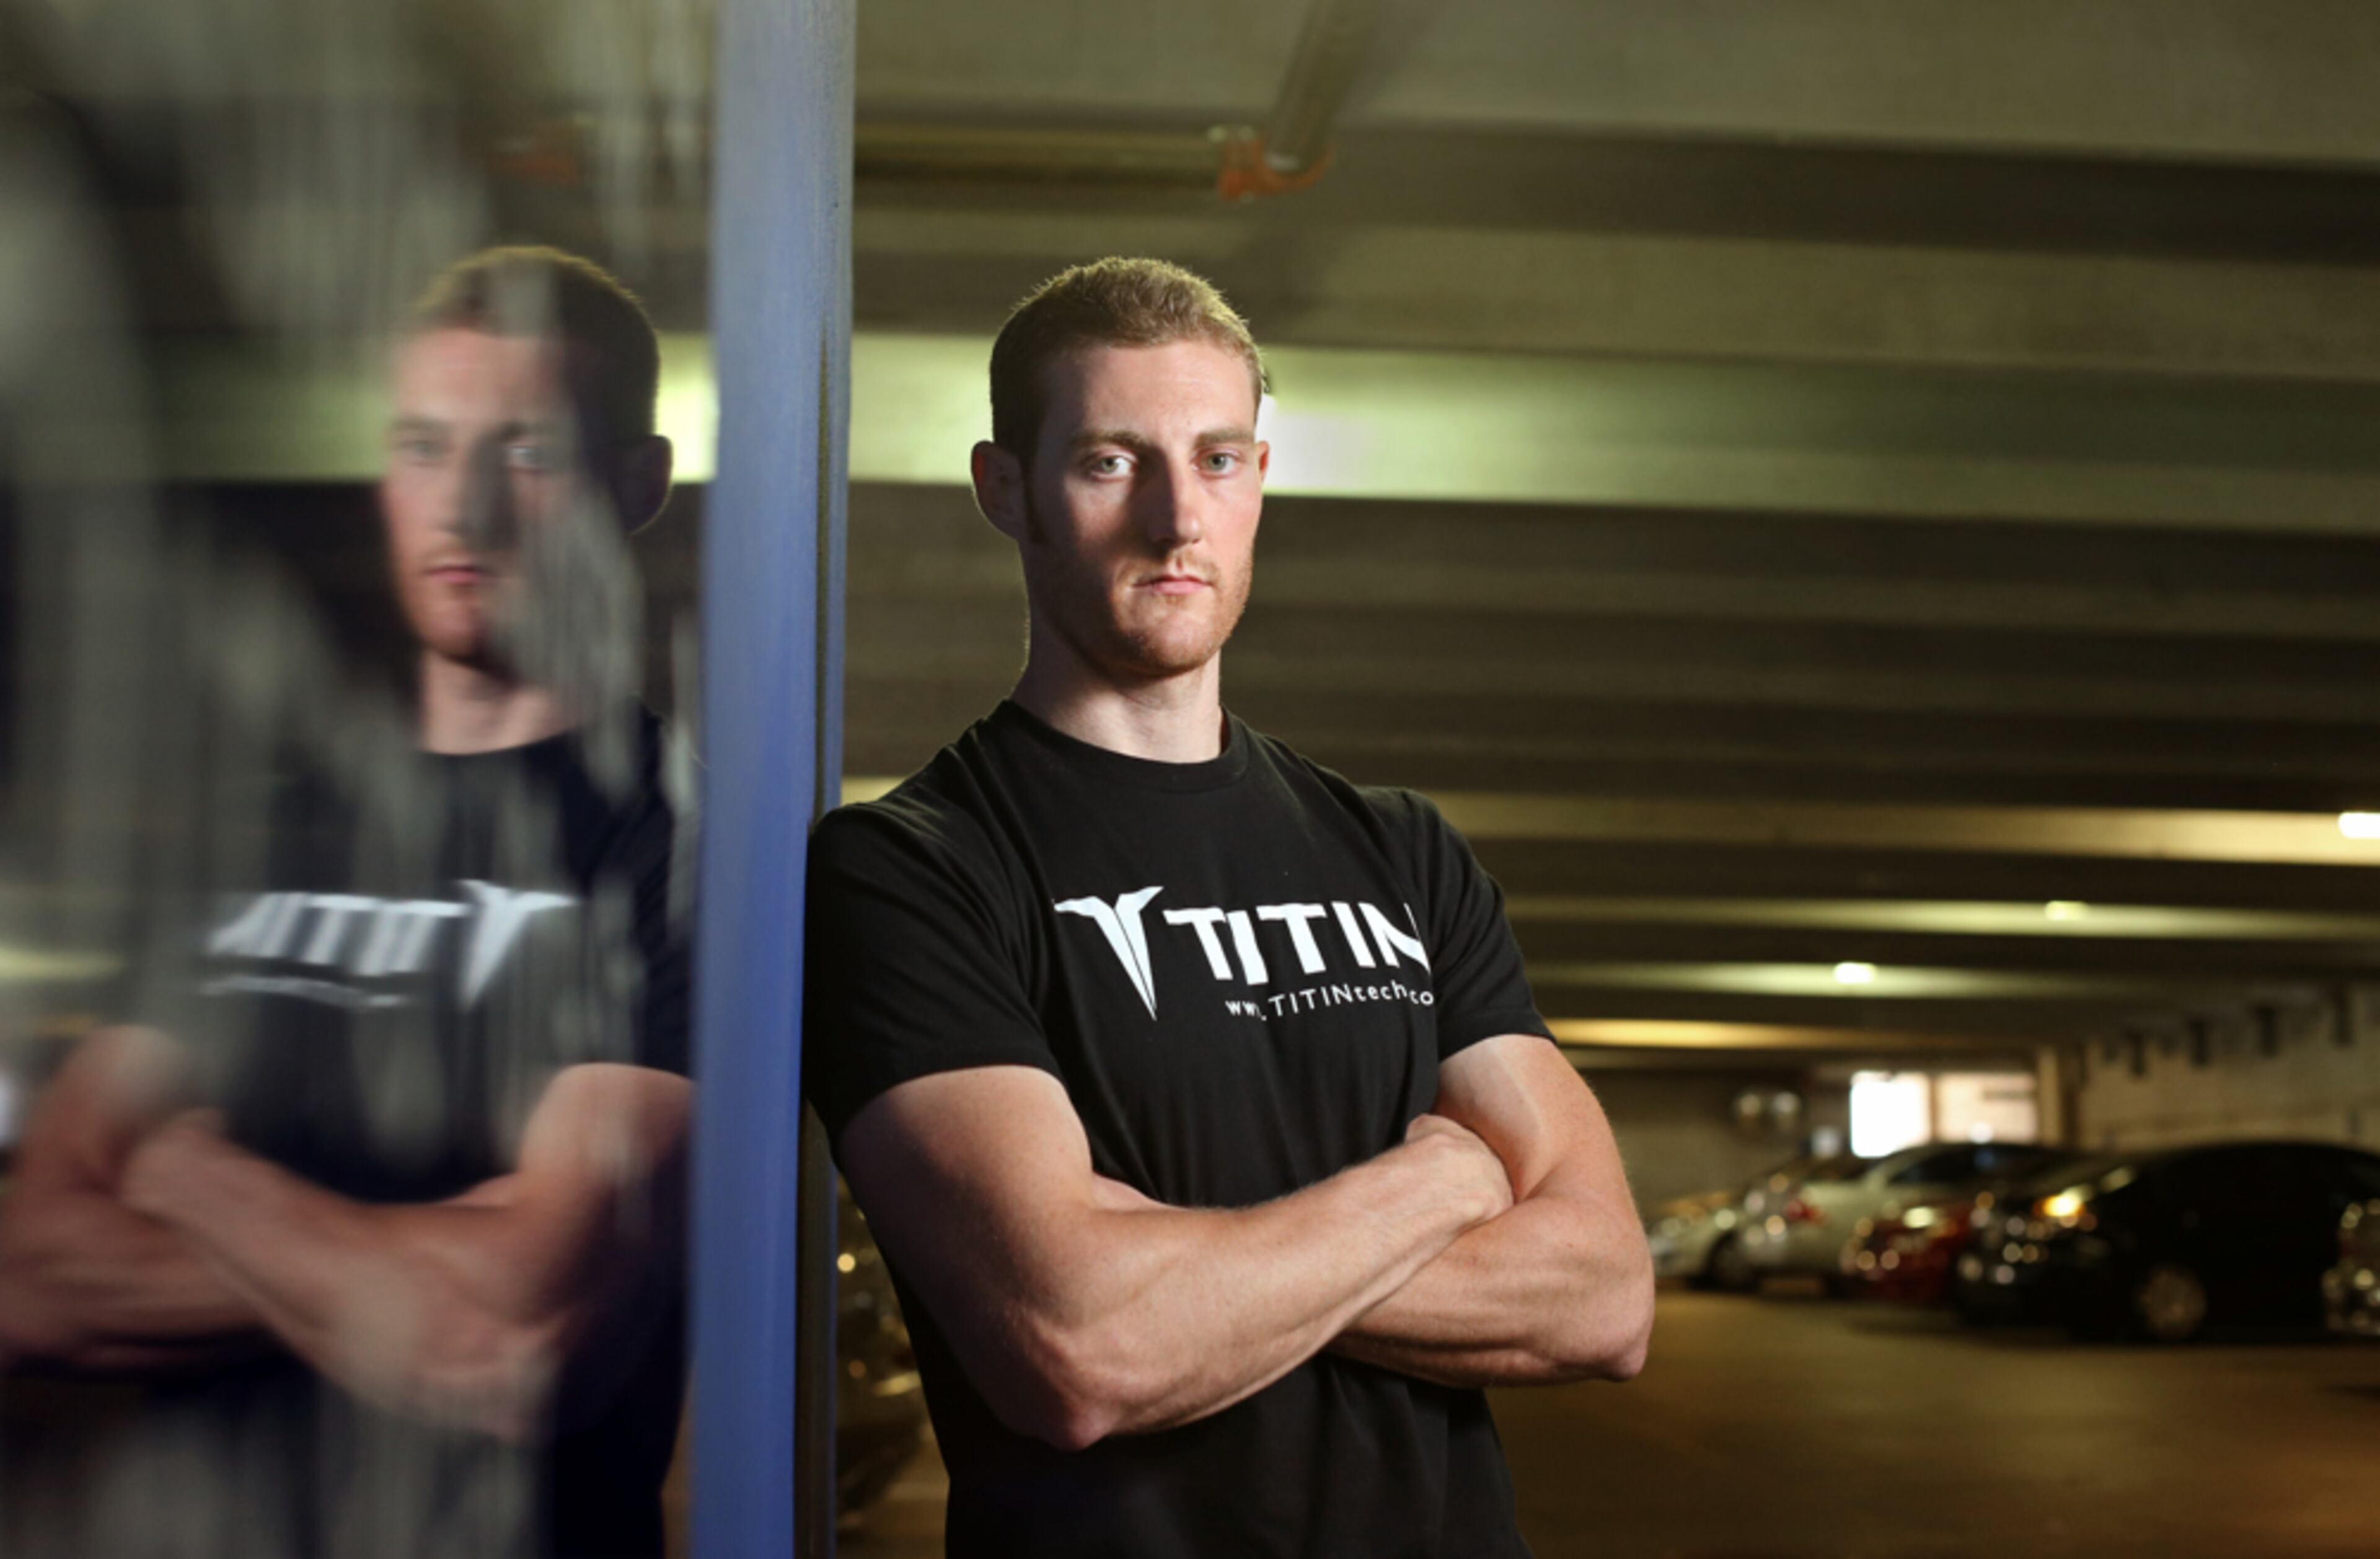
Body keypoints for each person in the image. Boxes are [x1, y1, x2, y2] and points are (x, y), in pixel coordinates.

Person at [804, 257, 1654, 1558]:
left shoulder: (1402, 851)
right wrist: (1449, 1174)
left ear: (1258, 479)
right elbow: (1082, 1343)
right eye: (1107, 461)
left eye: (1216, 459)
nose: (1175, 519)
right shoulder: (910, 870)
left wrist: (1179, 1256)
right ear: (1005, 490)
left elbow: (1603, 1295)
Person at [0, 246, 693, 1559]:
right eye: (425, 445)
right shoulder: (266, 833)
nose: (465, 505)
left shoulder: (680, 841)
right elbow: (27, 1282)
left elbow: (516, 1338)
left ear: (638, 484)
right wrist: (421, 1255)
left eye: (527, 451)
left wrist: (178, 1166)